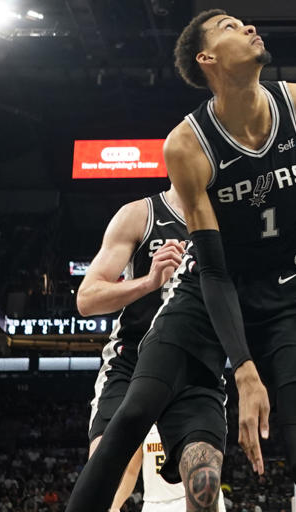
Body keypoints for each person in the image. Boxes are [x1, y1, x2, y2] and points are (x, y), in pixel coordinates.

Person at [67, 8, 296, 512]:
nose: (248, 26)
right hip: (208, 287)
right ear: (208, 59)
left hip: (283, 289)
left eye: (245, 22)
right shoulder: (186, 144)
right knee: (130, 419)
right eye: (228, 26)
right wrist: (243, 370)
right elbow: (215, 268)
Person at [78, 189, 188, 512]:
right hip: (131, 358)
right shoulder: (140, 214)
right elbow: (86, 298)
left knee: (197, 476)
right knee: (110, 467)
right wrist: (148, 282)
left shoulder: (222, 216)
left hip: (187, 364)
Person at [142, 423, 226, 511]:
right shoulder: (143, 426)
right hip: (154, 502)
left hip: (189, 498)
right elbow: (131, 472)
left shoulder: (195, 420)